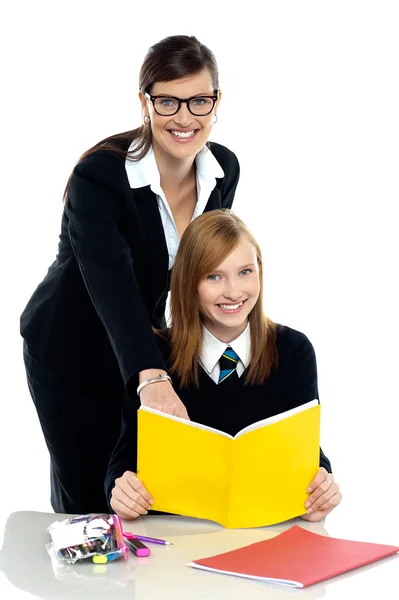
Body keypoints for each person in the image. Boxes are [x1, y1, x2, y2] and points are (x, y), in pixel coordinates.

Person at [20, 35, 240, 515]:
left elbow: (204, 273)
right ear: (145, 102)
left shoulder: (223, 169)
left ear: (217, 100)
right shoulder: (99, 178)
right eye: (168, 101)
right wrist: (152, 378)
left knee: (143, 493)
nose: (185, 117)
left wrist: (224, 352)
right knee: (88, 498)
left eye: (199, 100)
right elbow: (112, 284)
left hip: (143, 347)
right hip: (71, 346)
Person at [106, 210, 342, 524]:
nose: (233, 291)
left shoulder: (293, 350)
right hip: (176, 537)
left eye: (245, 271)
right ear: (190, 283)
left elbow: (304, 449)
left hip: (261, 534)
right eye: (214, 276)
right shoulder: (154, 358)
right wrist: (120, 491)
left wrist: (321, 487)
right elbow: (124, 457)